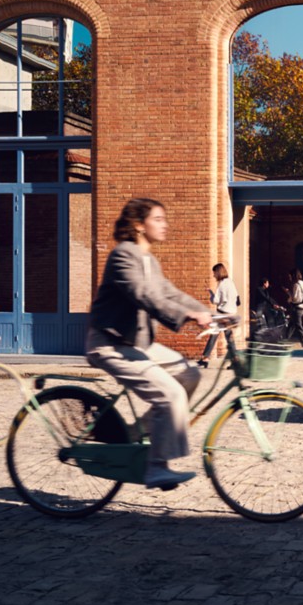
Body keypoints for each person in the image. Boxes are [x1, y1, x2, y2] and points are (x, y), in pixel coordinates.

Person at [86, 198, 212, 489]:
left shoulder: (148, 259)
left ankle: (134, 434)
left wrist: (210, 313)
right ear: (138, 225)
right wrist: (188, 315)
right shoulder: (122, 256)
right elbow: (142, 294)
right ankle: (156, 467)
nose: (165, 224)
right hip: (110, 344)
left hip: (137, 343)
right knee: (171, 395)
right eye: (158, 219)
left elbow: (170, 293)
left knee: (190, 374)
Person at [197, 263, 239, 367]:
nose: (213, 275)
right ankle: (235, 360)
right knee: (227, 337)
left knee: (215, 334)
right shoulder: (230, 282)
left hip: (222, 313)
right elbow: (236, 298)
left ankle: (205, 359)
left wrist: (211, 294)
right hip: (231, 313)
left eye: (214, 272)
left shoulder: (221, 284)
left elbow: (216, 301)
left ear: (218, 272)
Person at [285, 268, 303, 349]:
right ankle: (284, 341)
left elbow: (295, 299)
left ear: (293, 276)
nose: (289, 278)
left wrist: (288, 293)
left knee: (298, 326)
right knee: (291, 325)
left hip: (298, 308)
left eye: (290, 276)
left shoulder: (296, 285)